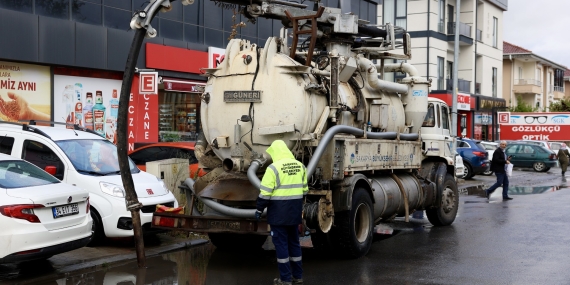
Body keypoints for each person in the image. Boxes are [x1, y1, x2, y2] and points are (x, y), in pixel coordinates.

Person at [256, 140, 308, 285]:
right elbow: (305, 190)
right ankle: (298, 276)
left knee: (281, 246)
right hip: (295, 213)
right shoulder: (300, 166)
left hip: (278, 215)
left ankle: (285, 279)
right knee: (294, 243)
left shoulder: (273, 169)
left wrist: (259, 209)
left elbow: (265, 194)